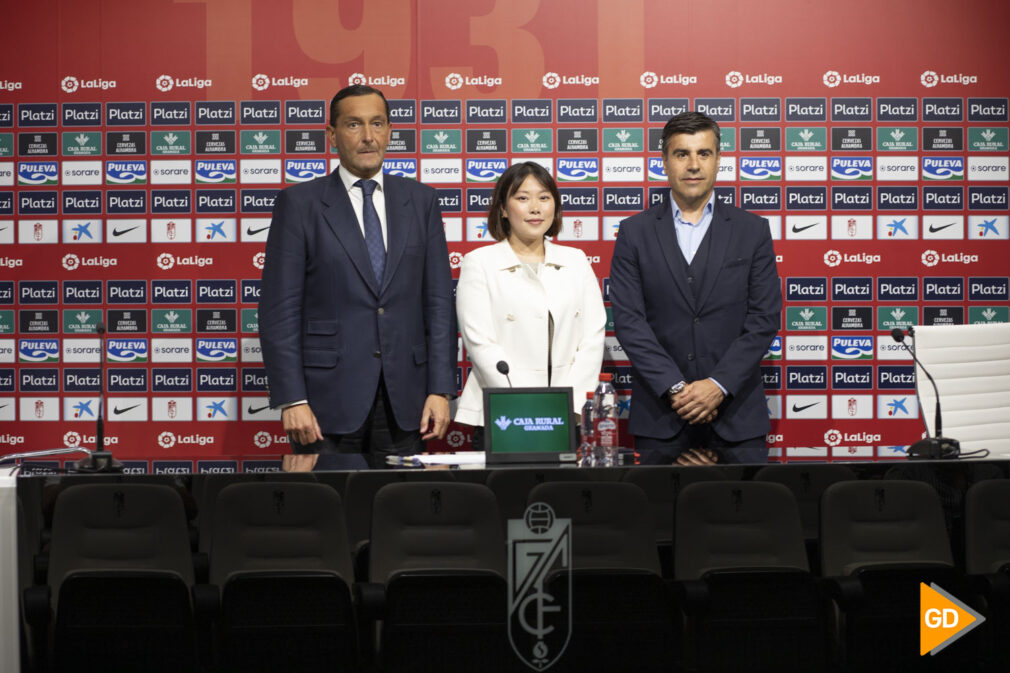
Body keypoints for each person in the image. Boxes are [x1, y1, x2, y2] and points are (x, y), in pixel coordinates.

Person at [259, 84, 456, 470]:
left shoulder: (421, 201)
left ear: (389, 130)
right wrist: (292, 399)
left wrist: (440, 388)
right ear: (331, 135)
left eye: (377, 123)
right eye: (354, 125)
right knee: (330, 519)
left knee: (399, 517)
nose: (368, 136)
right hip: (324, 405)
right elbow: (279, 310)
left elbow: (438, 303)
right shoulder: (299, 205)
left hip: (406, 401)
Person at [609, 111, 781, 465]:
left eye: (704, 153)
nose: (693, 165)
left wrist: (717, 386)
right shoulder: (633, 232)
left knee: (745, 519)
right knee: (659, 520)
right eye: (681, 154)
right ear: (664, 161)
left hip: (738, 418)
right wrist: (676, 389)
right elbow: (629, 321)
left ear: (719, 160)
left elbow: (763, 319)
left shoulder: (753, 231)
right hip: (662, 417)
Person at [454, 161, 606, 447]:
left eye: (544, 198)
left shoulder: (576, 260)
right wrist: (524, 408)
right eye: (522, 198)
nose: (535, 208)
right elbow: (480, 343)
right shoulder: (480, 263)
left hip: (564, 415)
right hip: (502, 415)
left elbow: (592, 338)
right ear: (502, 208)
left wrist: (568, 405)